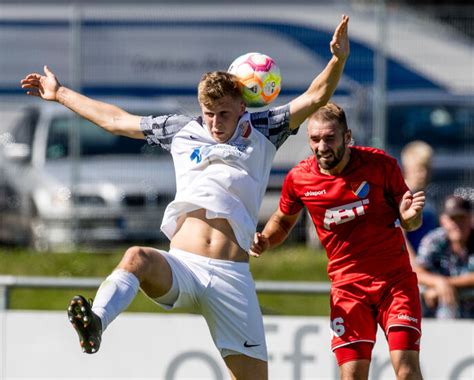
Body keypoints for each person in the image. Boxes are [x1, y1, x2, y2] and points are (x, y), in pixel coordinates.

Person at [20, 16, 350, 380]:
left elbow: (316, 96)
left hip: (231, 277)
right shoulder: (180, 130)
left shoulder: (265, 129)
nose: (215, 123)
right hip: (183, 267)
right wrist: (60, 93)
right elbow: (116, 121)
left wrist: (337, 60)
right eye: (209, 114)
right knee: (137, 257)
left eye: (224, 113)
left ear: (243, 106)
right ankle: (96, 322)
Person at [251, 103, 425, 380]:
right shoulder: (300, 178)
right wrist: (266, 241)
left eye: (329, 138)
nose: (321, 146)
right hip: (348, 289)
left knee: (406, 370)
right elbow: (283, 221)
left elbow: (409, 220)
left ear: (347, 136)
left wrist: (409, 218)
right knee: (353, 375)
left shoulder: (380, 165)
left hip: (394, 283)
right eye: (314, 139)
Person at [415, 195, 474, 319]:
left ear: (471, 219)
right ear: (443, 220)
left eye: (462, 218)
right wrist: (438, 282)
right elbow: (417, 272)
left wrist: (445, 284)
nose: (457, 224)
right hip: (437, 320)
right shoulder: (434, 240)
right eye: (453, 219)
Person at [400, 140, 438, 258]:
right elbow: (401, 238)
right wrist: (416, 269)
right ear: (407, 169)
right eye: (419, 169)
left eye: (427, 168)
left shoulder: (428, 197)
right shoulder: (401, 197)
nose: (424, 174)